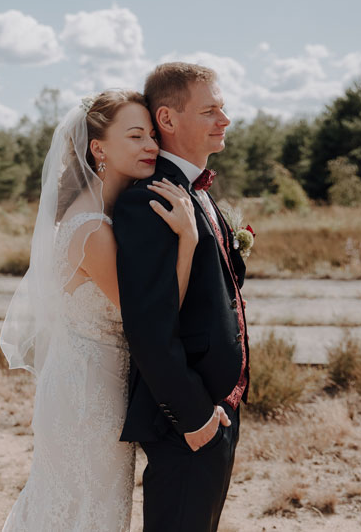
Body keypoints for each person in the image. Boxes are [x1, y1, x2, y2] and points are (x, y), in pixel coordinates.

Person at [0, 89, 199, 531]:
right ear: (99, 148)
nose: (151, 145)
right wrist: (188, 241)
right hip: (89, 398)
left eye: (151, 135)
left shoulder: (100, 215)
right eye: (135, 136)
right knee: (88, 512)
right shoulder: (91, 230)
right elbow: (154, 318)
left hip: (90, 385)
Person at [113, 62, 249, 532]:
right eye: (210, 109)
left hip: (221, 410)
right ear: (168, 119)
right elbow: (149, 327)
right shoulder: (147, 202)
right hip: (189, 419)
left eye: (223, 108)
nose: (224, 119)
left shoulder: (197, 192)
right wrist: (195, 419)